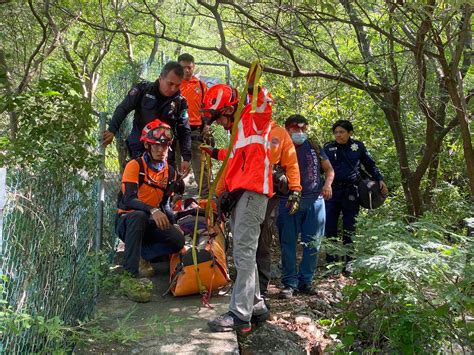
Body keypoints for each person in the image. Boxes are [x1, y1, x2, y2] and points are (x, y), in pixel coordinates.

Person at [200, 83, 300, 332]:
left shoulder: (254, 121)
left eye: (220, 117)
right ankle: (256, 307)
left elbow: (263, 103)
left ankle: (239, 314)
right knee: (245, 253)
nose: (220, 124)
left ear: (231, 108)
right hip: (240, 196)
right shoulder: (239, 134)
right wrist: (216, 196)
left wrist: (253, 84)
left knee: (244, 254)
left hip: (254, 195)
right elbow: (230, 165)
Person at [115, 119, 185, 277]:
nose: (162, 150)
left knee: (178, 240)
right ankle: (130, 275)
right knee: (139, 216)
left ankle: (143, 254)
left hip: (150, 220)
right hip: (128, 220)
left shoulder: (171, 173)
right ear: (147, 145)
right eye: (157, 145)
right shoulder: (135, 166)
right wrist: (152, 210)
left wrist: (174, 224)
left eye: (165, 146)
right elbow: (128, 200)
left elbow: (165, 204)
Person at [277, 115, 335, 299]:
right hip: (287, 200)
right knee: (288, 243)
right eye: (295, 128)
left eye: (303, 128)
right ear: (287, 129)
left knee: (313, 244)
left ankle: (306, 281)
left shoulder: (314, 147)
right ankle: (289, 283)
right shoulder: (278, 146)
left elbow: (329, 170)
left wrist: (327, 185)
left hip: (315, 200)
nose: (299, 132)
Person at [103, 61, 191, 174]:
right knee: (134, 186)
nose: (173, 88)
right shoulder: (142, 91)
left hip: (165, 154)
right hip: (140, 150)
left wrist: (186, 158)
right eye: (170, 84)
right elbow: (123, 108)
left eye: (177, 85)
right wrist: (112, 130)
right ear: (160, 79)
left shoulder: (180, 102)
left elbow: (184, 130)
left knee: (167, 187)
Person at [323, 120, 388, 271]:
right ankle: (331, 262)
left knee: (350, 226)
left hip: (351, 191)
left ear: (350, 133)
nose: (338, 135)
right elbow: (322, 168)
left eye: (342, 132)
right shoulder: (328, 147)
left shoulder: (357, 146)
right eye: (336, 132)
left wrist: (379, 179)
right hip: (331, 191)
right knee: (330, 226)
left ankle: (349, 262)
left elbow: (370, 164)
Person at [176, 53, 210, 198]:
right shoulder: (174, 84)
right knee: (175, 168)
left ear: (194, 67)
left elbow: (208, 108)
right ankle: (173, 199)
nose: (187, 70)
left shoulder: (201, 86)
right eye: (184, 67)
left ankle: (205, 201)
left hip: (196, 132)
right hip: (176, 132)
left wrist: (207, 125)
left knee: (201, 168)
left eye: (189, 67)